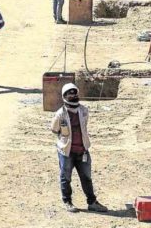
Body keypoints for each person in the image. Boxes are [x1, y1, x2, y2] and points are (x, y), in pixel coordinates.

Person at [50, 83, 109, 213]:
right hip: (66, 152)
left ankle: (92, 202)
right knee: (66, 177)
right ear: (64, 96)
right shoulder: (60, 114)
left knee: (86, 178)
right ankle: (67, 202)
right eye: (70, 94)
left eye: (75, 93)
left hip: (83, 151)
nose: (73, 96)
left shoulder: (84, 111)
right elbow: (54, 130)